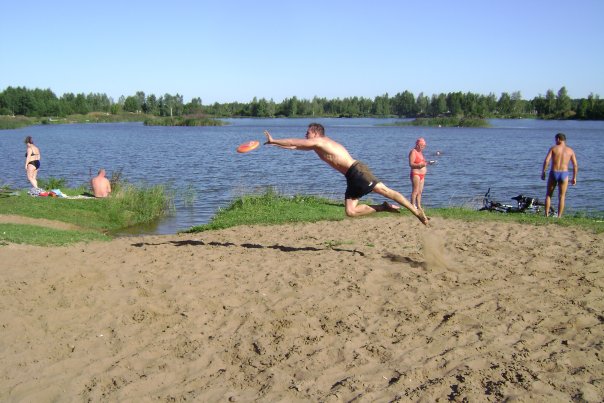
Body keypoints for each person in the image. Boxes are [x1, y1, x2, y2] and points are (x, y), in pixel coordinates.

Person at [263, 123, 429, 226]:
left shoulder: (320, 141)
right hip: (351, 176)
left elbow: (294, 142)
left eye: (308, 133)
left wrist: (275, 140)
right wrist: (274, 144)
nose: (305, 135)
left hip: (358, 171)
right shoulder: (317, 145)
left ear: (315, 133)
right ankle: (383, 207)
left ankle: (415, 211)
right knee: (350, 211)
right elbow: (294, 146)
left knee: (386, 191)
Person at [541, 132, 578, 218]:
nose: (555, 141)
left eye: (555, 140)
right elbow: (575, 165)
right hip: (564, 174)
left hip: (554, 172)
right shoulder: (570, 150)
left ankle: (546, 215)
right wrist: (574, 177)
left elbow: (547, 160)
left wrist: (543, 172)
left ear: (558, 139)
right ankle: (559, 216)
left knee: (548, 195)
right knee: (562, 196)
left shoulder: (553, 148)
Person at [409, 137, 428, 210]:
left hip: (422, 175)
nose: (423, 147)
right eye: (422, 145)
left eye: (424, 146)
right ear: (417, 145)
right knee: (415, 191)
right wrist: (419, 165)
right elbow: (411, 164)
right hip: (416, 174)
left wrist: (426, 163)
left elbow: (421, 162)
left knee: (420, 192)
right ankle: (412, 206)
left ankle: (419, 206)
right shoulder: (413, 152)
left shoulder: (420, 152)